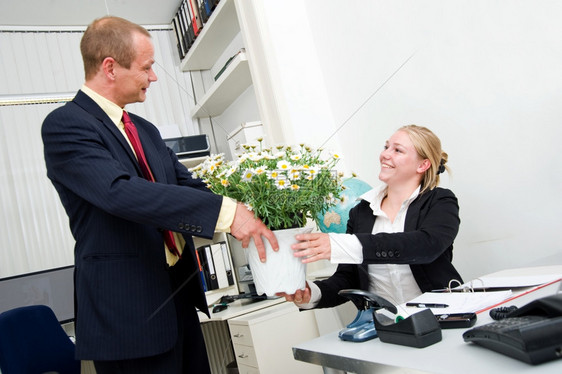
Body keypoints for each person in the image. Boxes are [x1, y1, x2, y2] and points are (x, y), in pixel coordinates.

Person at [41, 16, 277, 374]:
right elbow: (119, 193)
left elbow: (183, 184)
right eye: (147, 67)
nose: (153, 77)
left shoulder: (144, 130)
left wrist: (248, 211)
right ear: (110, 67)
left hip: (177, 302)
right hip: (127, 318)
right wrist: (227, 214)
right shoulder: (66, 124)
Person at [279, 125, 462, 310]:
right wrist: (312, 293)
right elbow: (348, 278)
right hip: (385, 326)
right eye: (386, 147)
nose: (385, 154)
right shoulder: (360, 213)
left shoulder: (440, 201)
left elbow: (426, 246)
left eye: (397, 150)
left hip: (442, 315)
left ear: (423, 165)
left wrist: (342, 244)